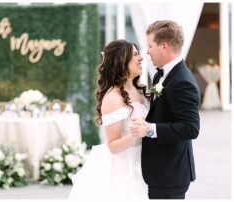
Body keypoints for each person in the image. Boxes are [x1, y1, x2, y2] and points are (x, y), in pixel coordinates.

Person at [68, 40, 150, 199]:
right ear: (121, 61)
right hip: (124, 169)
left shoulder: (139, 89)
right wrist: (135, 134)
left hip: (145, 163)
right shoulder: (113, 97)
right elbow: (113, 146)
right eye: (135, 54)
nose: (141, 58)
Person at [131, 20, 200, 199]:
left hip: (171, 173)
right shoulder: (160, 74)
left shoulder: (182, 82)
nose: (146, 51)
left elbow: (191, 128)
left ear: (164, 46)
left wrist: (149, 129)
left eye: (150, 46)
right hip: (161, 170)